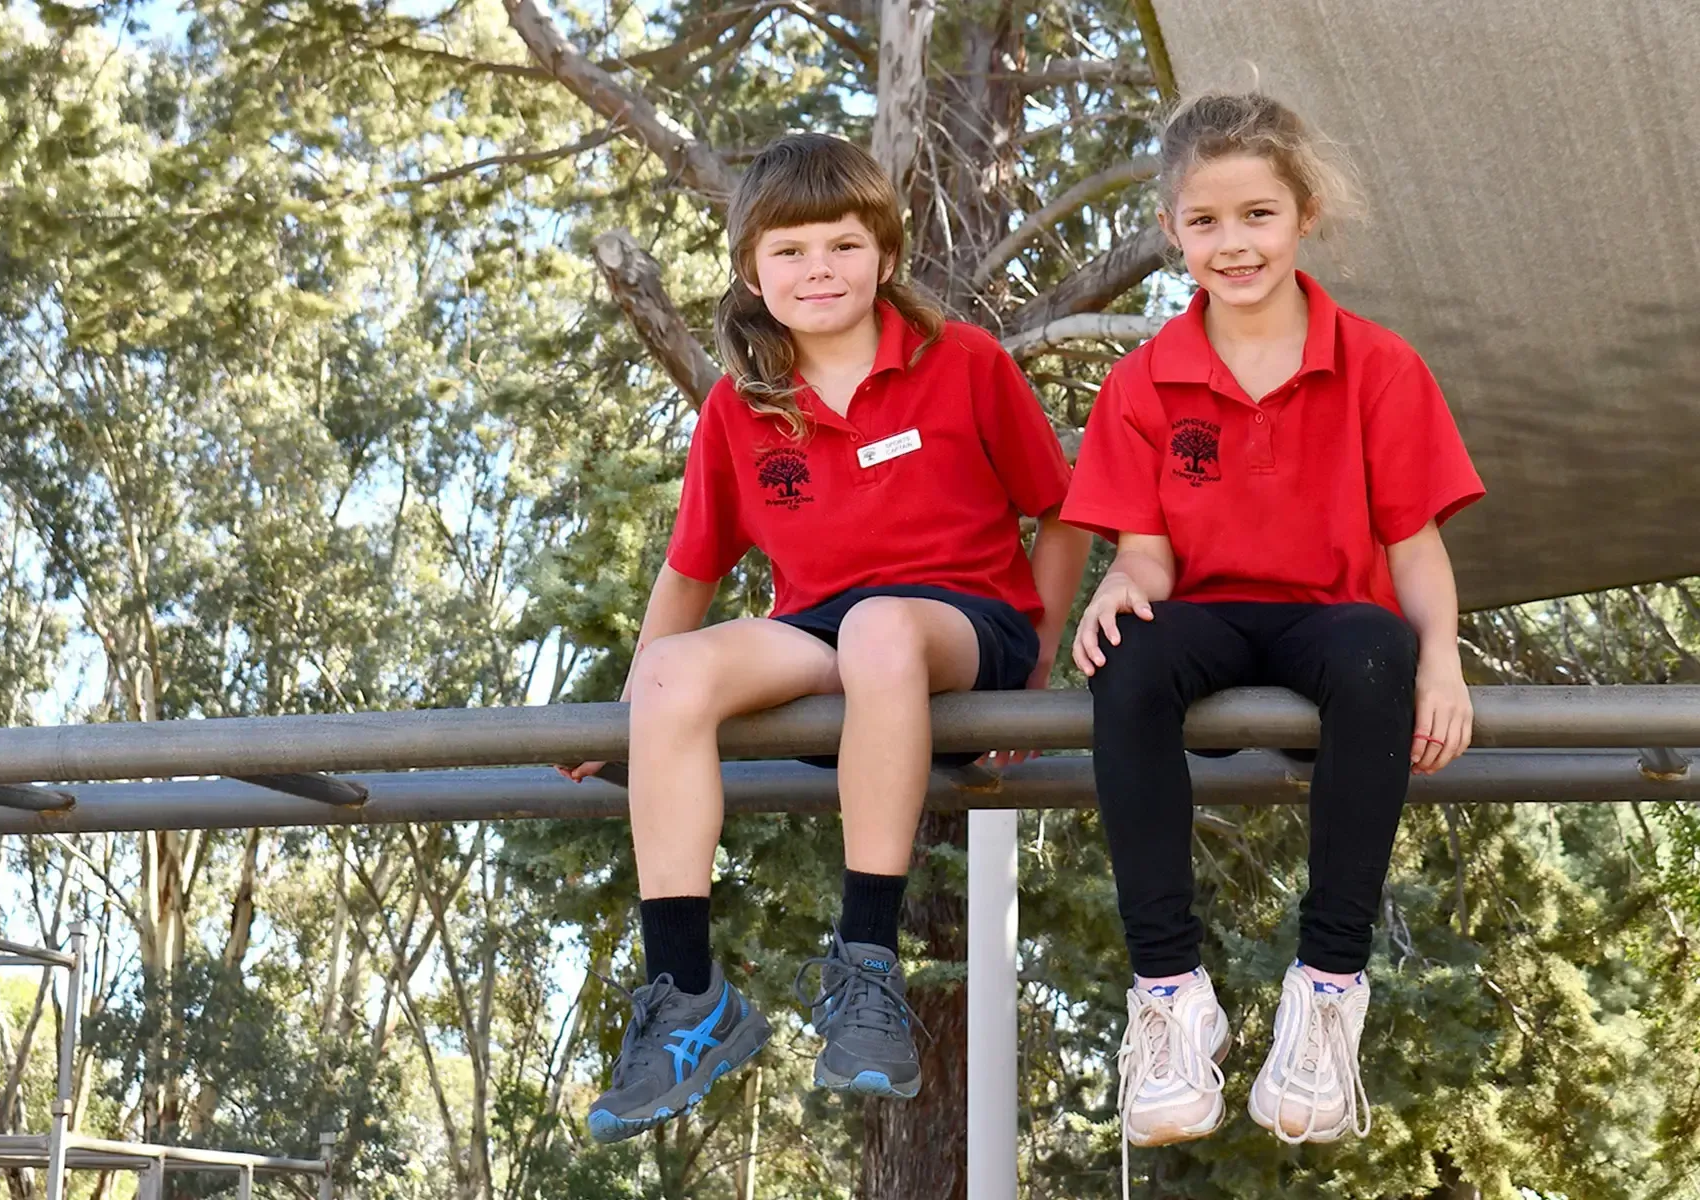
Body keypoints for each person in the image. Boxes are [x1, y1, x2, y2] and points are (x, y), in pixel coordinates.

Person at [563, 132, 1089, 1143]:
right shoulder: (741, 405)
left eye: (842, 246)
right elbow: (692, 571)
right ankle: (687, 995)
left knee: (882, 631)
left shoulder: (962, 364)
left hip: (958, 624)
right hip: (820, 630)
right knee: (677, 676)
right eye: (791, 251)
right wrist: (624, 712)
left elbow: (1062, 509)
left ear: (885, 257)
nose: (818, 270)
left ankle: (867, 966)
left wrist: (1042, 653)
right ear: (752, 272)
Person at [1059, 92, 1485, 1163]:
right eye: (1205, 222)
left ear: (1302, 215)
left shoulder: (1379, 366)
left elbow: (1413, 543)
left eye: (1257, 215)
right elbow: (1148, 554)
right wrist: (1119, 587)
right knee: (1129, 656)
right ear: (1171, 232)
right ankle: (1168, 995)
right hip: (1204, 616)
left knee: (1379, 647)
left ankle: (1329, 993)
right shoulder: (1143, 381)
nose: (1232, 243)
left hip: (1330, 623)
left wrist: (1445, 663)